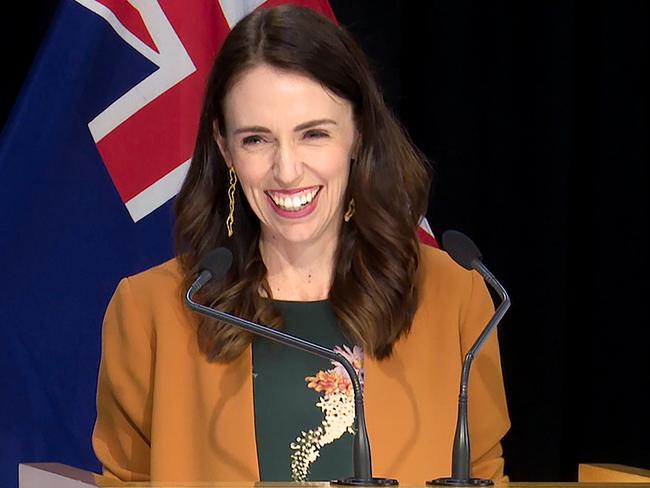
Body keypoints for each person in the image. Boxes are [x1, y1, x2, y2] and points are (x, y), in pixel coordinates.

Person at [92, 4, 510, 484]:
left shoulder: (457, 299)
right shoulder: (152, 312)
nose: (287, 171)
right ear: (225, 149)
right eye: (256, 140)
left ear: (359, 134)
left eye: (313, 134)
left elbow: (483, 473)